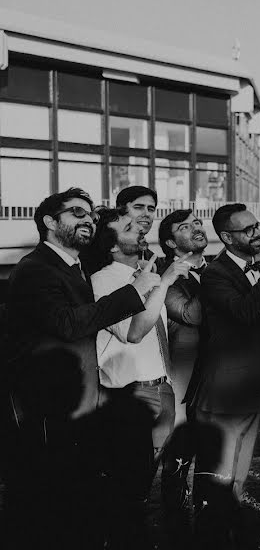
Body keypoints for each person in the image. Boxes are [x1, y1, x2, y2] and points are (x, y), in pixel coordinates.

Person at [3, 188, 156, 550]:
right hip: (47, 413)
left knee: (75, 506)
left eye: (89, 215)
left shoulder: (74, 268)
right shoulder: (35, 269)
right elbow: (68, 324)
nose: (87, 220)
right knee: (47, 509)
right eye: (76, 213)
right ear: (50, 223)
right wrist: (134, 291)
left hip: (79, 408)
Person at [82, 206, 192, 548]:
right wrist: (166, 282)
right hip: (130, 396)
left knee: (143, 486)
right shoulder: (104, 280)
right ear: (113, 246)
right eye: (129, 228)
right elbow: (133, 332)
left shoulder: (147, 274)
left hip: (162, 390)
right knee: (127, 489)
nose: (140, 229)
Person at [188, 203, 260, 549]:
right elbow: (245, 312)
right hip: (222, 397)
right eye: (247, 230)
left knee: (237, 481)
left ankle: (229, 539)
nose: (256, 233)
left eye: (256, 226)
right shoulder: (216, 274)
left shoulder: (257, 270)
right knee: (216, 483)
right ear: (226, 237)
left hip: (252, 392)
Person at [157, 209, 209, 540]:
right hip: (182, 384)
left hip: (218, 380)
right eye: (184, 227)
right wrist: (220, 281)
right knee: (177, 461)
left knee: (213, 459)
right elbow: (190, 315)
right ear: (170, 242)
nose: (196, 229)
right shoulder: (170, 278)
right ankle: (176, 531)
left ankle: (210, 527)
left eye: (198, 223)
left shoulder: (217, 269)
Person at [116, 185, 158, 262]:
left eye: (151, 209)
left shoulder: (153, 259)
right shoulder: (107, 253)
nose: (146, 214)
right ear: (121, 211)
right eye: (138, 207)